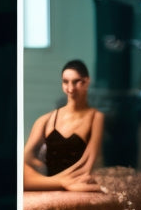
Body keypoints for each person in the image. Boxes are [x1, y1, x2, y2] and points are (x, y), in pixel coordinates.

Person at [24, 59, 104, 191]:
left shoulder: (95, 117)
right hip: (49, 179)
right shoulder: (46, 119)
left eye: (77, 82)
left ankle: (63, 182)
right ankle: (60, 183)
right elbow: (27, 156)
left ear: (87, 81)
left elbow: (90, 160)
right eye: (66, 82)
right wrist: (42, 167)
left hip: (76, 176)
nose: (70, 88)